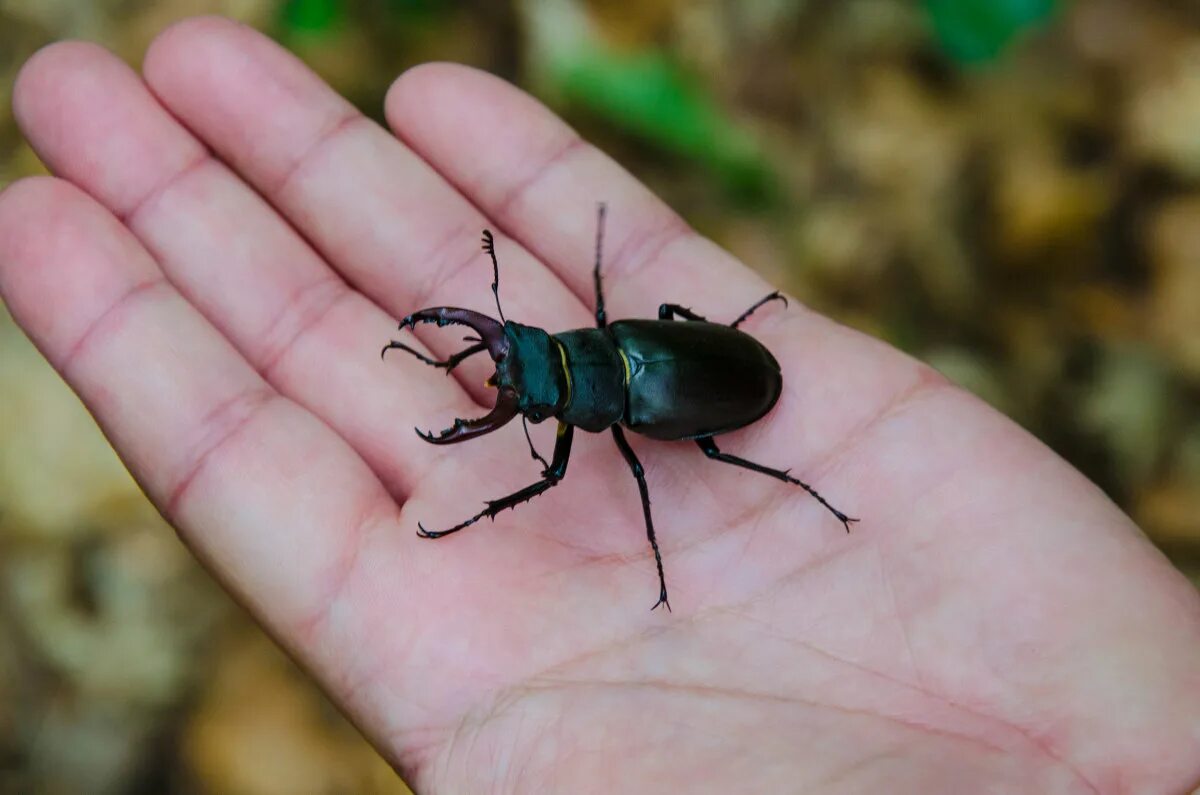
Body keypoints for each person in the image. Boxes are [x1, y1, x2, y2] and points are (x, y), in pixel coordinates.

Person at [1, 16, 1197, 793]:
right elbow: (601, 363)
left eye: (515, 364)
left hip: (720, 382)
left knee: (714, 459)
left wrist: (478, 508)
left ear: (565, 350)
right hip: (686, 358)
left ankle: (797, 488)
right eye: (512, 365)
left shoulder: (611, 392)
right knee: (668, 418)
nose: (507, 372)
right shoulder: (600, 346)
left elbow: (577, 432)